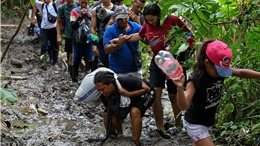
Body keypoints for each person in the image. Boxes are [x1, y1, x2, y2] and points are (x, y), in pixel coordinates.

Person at [111, 3, 195, 139]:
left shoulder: (172, 20)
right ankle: (160, 127)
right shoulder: (148, 25)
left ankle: (179, 124)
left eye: (153, 19)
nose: (150, 22)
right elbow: (140, 35)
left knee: (174, 94)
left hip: (174, 61)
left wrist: (188, 50)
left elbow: (188, 35)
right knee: (155, 92)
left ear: (159, 16)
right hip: (158, 60)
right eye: (148, 20)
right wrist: (122, 40)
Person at [171, 40, 260, 146]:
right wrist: (180, 88)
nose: (221, 74)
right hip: (195, 124)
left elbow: (241, 72)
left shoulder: (221, 71)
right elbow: (183, 105)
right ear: (207, 63)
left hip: (208, 122)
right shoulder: (195, 80)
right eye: (219, 71)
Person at [94, 71, 155, 146]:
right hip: (130, 97)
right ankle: (119, 135)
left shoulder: (125, 80)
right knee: (107, 113)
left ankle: (136, 142)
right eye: (98, 90)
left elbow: (147, 89)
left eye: (102, 89)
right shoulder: (104, 95)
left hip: (146, 93)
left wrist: (128, 94)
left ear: (110, 84)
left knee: (134, 111)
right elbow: (112, 113)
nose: (101, 92)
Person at [103, 6, 142, 78]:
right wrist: (118, 44)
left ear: (128, 15)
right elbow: (106, 50)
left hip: (136, 69)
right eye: (120, 19)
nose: (123, 20)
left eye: (125, 17)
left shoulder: (136, 27)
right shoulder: (110, 30)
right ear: (115, 19)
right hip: (118, 71)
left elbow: (146, 39)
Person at [70, 0, 94, 82]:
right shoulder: (74, 11)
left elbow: (95, 24)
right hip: (78, 40)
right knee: (76, 59)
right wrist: (80, 16)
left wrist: (89, 16)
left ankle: (89, 79)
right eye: (82, 3)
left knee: (90, 59)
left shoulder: (91, 11)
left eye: (85, 3)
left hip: (89, 40)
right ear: (79, 2)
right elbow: (73, 26)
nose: (84, 5)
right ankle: (74, 77)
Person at [34, 0, 61, 69]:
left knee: (54, 46)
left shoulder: (55, 4)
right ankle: (42, 61)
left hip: (53, 28)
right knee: (43, 45)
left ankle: (54, 61)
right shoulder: (41, 5)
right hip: (44, 29)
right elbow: (33, 1)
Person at [91, 0, 116, 68]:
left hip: (114, 40)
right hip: (101, 41)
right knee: (101, 63)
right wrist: (94, 45)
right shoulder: (95, 10)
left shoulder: (116, 9)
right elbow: (93, 28)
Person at [56, 0, 78, 78]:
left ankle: (77, 72)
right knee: (70, 54)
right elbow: (58, 22)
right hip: (69, 34)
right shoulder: (62, 8)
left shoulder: (78, 4)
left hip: (79, 35)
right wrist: (59, 35)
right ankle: (71, 73)